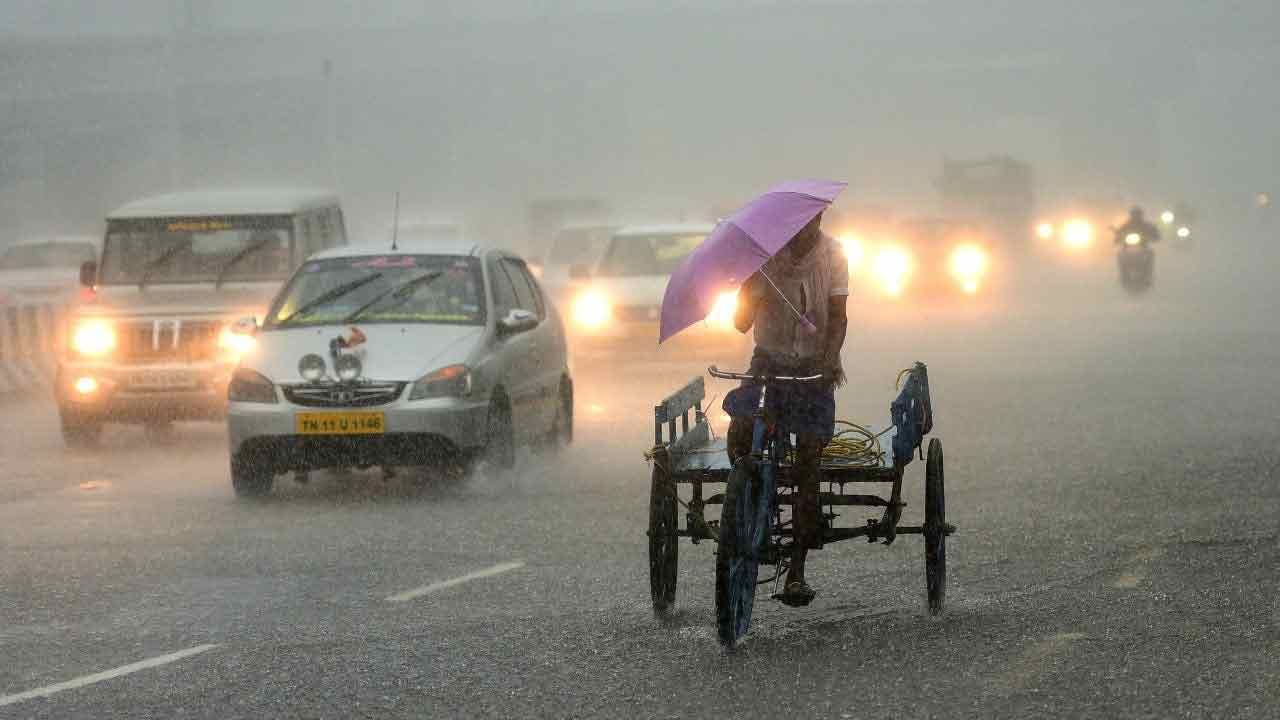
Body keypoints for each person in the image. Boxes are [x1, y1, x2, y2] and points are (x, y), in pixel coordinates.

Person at [723, 211, 849, 606]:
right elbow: (741, 324)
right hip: (769, 364)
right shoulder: (764, 259)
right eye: (793, 225)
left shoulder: (834, 255)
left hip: (814, 369)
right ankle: (752, 498)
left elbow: (840, 317)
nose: (800, 230)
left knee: (808, 463)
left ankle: (797, 571)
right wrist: (752, 290)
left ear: (820, 220)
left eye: (809, 223)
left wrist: (830, 358)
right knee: (742, 432)